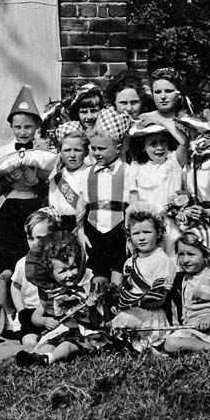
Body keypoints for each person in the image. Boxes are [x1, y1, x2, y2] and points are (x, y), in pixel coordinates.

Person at [0, 85, 55, 330]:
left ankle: (38, 313)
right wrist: (8, 177)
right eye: (18, 127)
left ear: (36, 126)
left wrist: (38, 182)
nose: (23, 131)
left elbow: (51, 185)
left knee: (35, 265)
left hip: (34, 209)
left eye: (28, 127)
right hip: (9, 210)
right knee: (6, 273)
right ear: (11, 127)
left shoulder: (45, 151)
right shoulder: (3, 152)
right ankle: (9, 316)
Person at [15, 229, 105, 367]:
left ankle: (49, 359)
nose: (70, 274)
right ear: (51, 273)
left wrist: (92, 308)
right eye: (62, 271)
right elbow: (35, 317)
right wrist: (45, 321)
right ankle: (35, 358)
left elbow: (97, 321)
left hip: (81, 335)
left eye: (73, 268)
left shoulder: (85, 290)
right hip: (59, 332)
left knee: (66, 346)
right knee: (48, 344)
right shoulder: (52, 295)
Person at [79, 108, 134, 287]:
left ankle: (116, 307)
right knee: (98, 272)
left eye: (102, 148)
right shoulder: (87, 173)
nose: (97, 153)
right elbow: (82, 205)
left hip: (118, 228)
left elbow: (133, 203)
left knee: (118, 270)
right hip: (94, 228)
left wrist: (130, 235)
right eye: (93, 148)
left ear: (118, 148)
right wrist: (80, 230)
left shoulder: (128, 171)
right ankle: (98, 310)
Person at [108, 207, 177, 352]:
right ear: (129, 236)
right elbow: (127, 287)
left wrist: (129, 302)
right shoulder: (129, 262)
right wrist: (118, 303)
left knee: (124, 323)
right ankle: (135, 346)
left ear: (158, 233)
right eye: (136, 233)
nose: (141, 238)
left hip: (151, 314)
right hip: (132, 310)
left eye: (147, 232)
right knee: (113, 325)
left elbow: (159, 297)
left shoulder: (162, 260)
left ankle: (145, 347)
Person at [6, 208, 61, 339]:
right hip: (31, 312)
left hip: (54, 311)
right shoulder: (23, 263)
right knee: (29, 340)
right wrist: (21, 310)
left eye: (40, 238)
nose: (35, 243)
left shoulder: (60, 262)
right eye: (31, 238)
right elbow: (15, 286)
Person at [47, 121, 89, 230]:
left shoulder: (90, 174)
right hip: (62, 225)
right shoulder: (57, 178)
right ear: (60, 152)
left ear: (86, 152)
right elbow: (54, 206)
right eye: (67, 150)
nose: (72, 155)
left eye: (77, 150)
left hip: (85, 224)